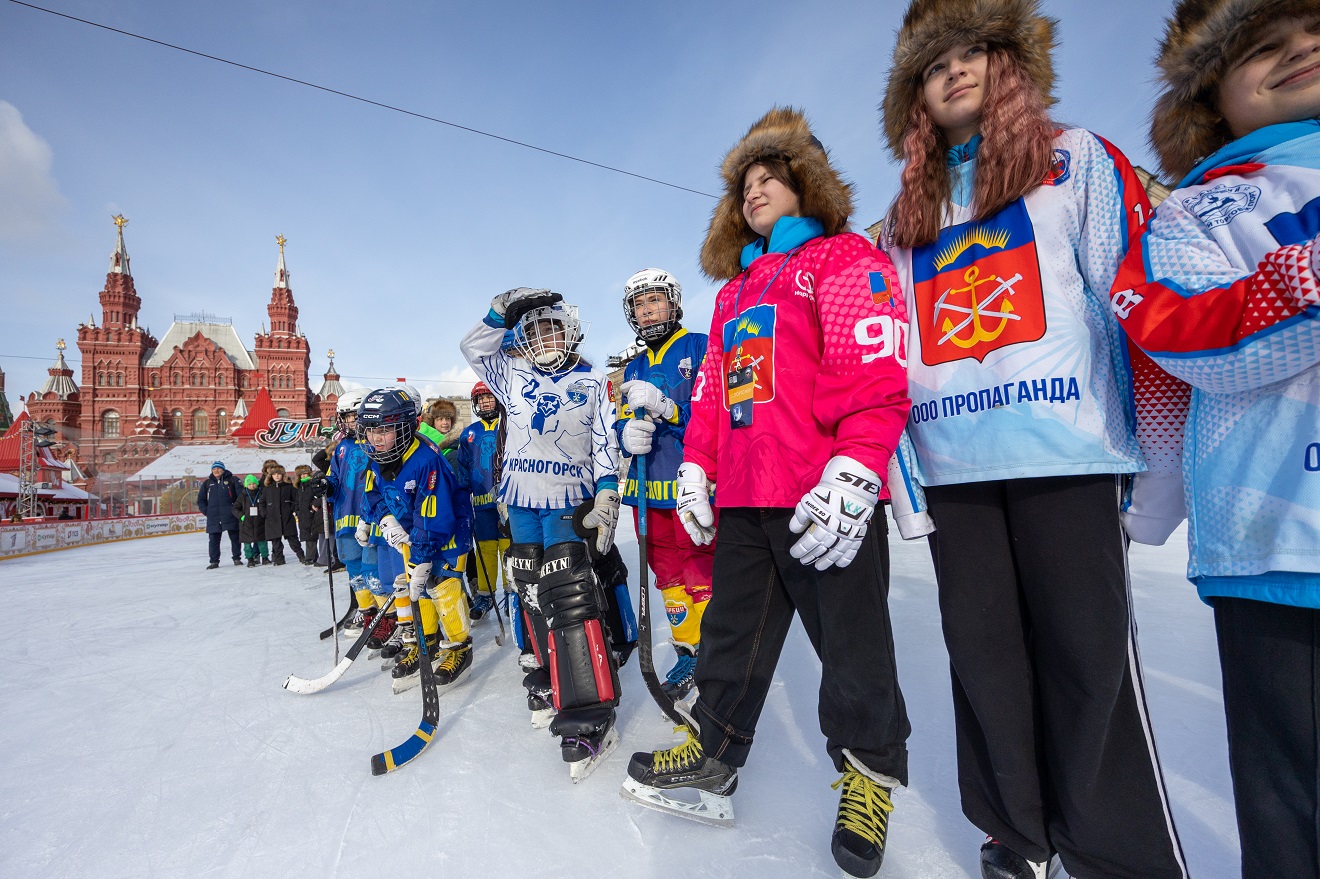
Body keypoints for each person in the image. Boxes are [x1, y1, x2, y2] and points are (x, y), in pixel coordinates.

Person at [879, 2, 1191, 877]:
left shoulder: (1075, 159)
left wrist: (1158, 457)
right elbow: (887, 363)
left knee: (1087, 659)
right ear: (916, 97)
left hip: (1067, 454)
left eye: (972, 50)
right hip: (954, 470)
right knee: (983, 660)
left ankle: (1113, 850)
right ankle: (1014, 829)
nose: (953, 71)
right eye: (931, 64)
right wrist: (903, 487)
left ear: (1008, 59)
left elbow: (1134, 296)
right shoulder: (905, 218)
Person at [622, 107, 912, 879]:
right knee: (729, 637)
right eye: (744, 185)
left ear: (803, 183)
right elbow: (714, 396)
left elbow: (874, 375)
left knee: (854, 649)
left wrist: (856, 471)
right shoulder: (733, 293)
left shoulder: (845, 258)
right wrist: (696, 468)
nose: (754, 192)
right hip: (746, 496)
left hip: (823, 496)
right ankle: (714, 756)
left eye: (769, 177)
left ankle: (868, 777)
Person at [1107, 4, 1320, 876]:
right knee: (1291, 803)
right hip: (1278, 540)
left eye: (1313, 32)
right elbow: (1174, 325)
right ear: (1211, 98)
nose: (1300, 50)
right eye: (1264, 47)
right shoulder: (1195, 207)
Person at [461, 286, 628, 780]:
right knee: (530, 590)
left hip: (568, 500)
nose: (545, 338)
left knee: (569, 592)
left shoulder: (594, 382)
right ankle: (549, 669)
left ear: (570, 330)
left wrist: (606, 491)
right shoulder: (511, 374)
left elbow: (602, 443)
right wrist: (497, 311)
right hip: (520, 502)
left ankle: (589, 708)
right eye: (533, 331)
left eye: (552, 327)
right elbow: (473, 348)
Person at [614, 268, 714, 701]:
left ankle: (714, 650)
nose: (647, 309)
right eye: (639, 303)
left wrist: (671, 410)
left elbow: (716, 415)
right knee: (667, 575)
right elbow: (619, 419)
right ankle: (688, 648)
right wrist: (624, 436)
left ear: (673, 303)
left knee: (699, 569)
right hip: (645, 492)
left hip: (690, 484)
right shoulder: (631, 366)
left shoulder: (699, 346)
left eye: (655, 299)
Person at [357, 388, 474, 692]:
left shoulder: (425, 460)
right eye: (371, 431)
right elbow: (371, 494)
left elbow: (435, 517)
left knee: (441, 586)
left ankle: (460, 647)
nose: (377, 438)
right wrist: (386, 521)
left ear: (405, 427)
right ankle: (428, 644)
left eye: (384, 430)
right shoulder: (377, 458)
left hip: (447, 532)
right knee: (417, 591)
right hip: (414, 533)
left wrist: (421, 557)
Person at [313, 388, 384, 635]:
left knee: (372, 568)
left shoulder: (379, 440)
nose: (352, 421)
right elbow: (335, 480)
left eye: (355, 415)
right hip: (345, 516)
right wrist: (325, 484)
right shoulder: (342, 447)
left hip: (370, 517)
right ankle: (367, 613)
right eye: (347, 416)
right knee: (353, 567)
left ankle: (386, 619)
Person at [453, 381, 508, 621]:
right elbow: (463, 468)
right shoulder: (469, 433)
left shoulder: (510, 425)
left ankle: (513, 590)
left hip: (508, 500)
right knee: (485, 549)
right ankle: (485, 594)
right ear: (475, 403)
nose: (486, 401)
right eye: (481, 398)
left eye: (490, 397)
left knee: (509, 547)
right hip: (481, 502)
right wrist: (463, 495)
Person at [197, 461, 241, 568]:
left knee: (235, 538)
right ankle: (214, 561)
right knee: (213, 540)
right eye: (214, 469)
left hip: (230, 515)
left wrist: (236, 509)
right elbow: (201, 499)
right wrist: (207, 511)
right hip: (214, 516)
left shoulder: (232, 480)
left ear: (223, 469)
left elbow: (241, 496)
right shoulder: (207, 483)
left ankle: (236, 558)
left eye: (218, 468)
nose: (216, 471)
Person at [260, 464, 303, 566]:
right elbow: (262, 502)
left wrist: (291, 509)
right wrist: (264, 513)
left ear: (283, 475)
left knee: (293, 539)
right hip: (272, 519)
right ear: (271, 476)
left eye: (279, 474)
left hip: (286, 517)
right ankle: (279, 558)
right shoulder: (267, 489)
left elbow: (296, 500)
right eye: (274, 474)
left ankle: (301, 556)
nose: (277, 476)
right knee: (276, 541)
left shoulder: (289, 487)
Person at [232, 474, 269, 567]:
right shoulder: (242, 496)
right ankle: (250, 559)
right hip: (246, 524)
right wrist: (241, 516)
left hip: (259, 522)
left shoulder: (261, 494)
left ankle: (265, 558)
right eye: (249, 484)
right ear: (246, 485)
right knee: (247, 545)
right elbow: (235, 509)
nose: (252, 486)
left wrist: (264, 515)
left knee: (262, 543)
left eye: (254, 484)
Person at [292, 464, 322, 566]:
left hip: (312, 514)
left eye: (305, 474)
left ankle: (310, 558)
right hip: (302, 516)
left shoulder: (313, 484)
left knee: (311, 537)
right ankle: (314, 556)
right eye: (301, 474)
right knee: (307, 536)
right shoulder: (299, 487)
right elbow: (297, 501)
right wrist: (297, 511)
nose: (304, 476)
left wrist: (312, 508)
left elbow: (317, 497)